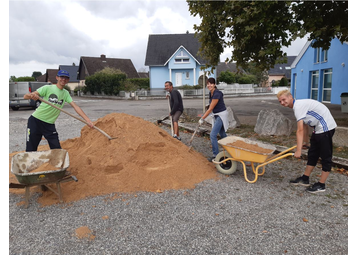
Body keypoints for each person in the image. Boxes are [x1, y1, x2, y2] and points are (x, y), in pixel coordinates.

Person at [277, 89, 337, 193]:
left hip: (326, 128)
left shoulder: (298, 106)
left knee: (325, 157)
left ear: (290, 97)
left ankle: (321, 185)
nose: (282, 102)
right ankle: (305, 179)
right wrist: (306, 143)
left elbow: (299, 130)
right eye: (280, 101)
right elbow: (304, 126)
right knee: (312, 154)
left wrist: (298, 150)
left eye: (284, 99)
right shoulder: (298, 106)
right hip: (318, 129)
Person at [24, 70, 94, 152]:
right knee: (31, 149)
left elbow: (76, 106)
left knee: (57, 149)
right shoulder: (48, 88)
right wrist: (32, 95)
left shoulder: (66, 93)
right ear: (57, 77)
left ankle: (58, 165)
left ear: (68, 80)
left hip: (49, 125)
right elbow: (25, 96)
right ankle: (29, 164)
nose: (63, 79)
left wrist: (88, 120)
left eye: (66, 78)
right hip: (35, 121)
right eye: (62, 77)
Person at [199, 78, 229, 162]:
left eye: (211, 84)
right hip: (216, 114)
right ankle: (231, 151)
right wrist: (204, 114)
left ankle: (215, 155)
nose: (209, 85)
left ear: (215, 84)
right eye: (208, 84)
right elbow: (210, 106)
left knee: (212, 135)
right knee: (222, 134)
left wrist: (202, 118)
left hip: (221, 115)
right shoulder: (211, 93)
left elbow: (210, 108)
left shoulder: (217, 94)